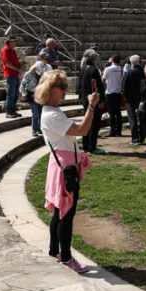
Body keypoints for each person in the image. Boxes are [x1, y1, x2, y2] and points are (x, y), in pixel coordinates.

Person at [38, 70, 97, 274]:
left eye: (65, 86)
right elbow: (82, 130)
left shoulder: (51, 112)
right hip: (65, 168)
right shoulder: (52, 115)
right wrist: (91, 106)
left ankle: (55, 250)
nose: (65, 90)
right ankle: (66, 257)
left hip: (62, 165)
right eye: (61, 87)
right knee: (66, 214)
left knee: (59, 211)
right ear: (49, 89)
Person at [78, 50, 106, 154]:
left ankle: (85, 146)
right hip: (94, 100)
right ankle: (92, 147)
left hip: (85, 99)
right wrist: (101, 100)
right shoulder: (93, 70)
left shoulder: (83, 68)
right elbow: (97, 86)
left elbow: (80, 85)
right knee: (94, 124)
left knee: (87, 122)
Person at [21, 52, 51, 136]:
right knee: (35, 113)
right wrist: (23, 94)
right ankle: (34, 130)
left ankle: (39, 128)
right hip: (31, 95)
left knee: (41, 112)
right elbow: (22, 85)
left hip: (40, 95)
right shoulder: (28, 74)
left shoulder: (41, 75)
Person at [123, 55, 144, 145]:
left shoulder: (130, 72)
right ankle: (142, 137)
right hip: (142, 98)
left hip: (131, 99)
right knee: (142, 118)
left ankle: (135, 138)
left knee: (132, 118)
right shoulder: (143, 72)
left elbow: (124, 87)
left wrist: (125, 97)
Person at [101, 55, 124, 138]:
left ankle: (112, 131)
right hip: (118, 92)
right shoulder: (121, 69)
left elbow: (102, 81)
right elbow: (121, 79)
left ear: (112, 60)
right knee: (118, 113)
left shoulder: (108, 69)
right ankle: (119, 131)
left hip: (110, 93)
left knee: (111, 113)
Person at [0, 36, 22, 118]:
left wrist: (19, 70)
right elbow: (7, 63)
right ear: (9, 42)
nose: (15, 42)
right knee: (11, 94)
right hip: (10, 74)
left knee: (15, 94)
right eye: (14, 41)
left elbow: (16, 62)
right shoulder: (5, 49)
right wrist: (17, 70)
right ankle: (8, 112)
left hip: (15, 74)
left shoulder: (13, 50)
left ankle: (13, 110)